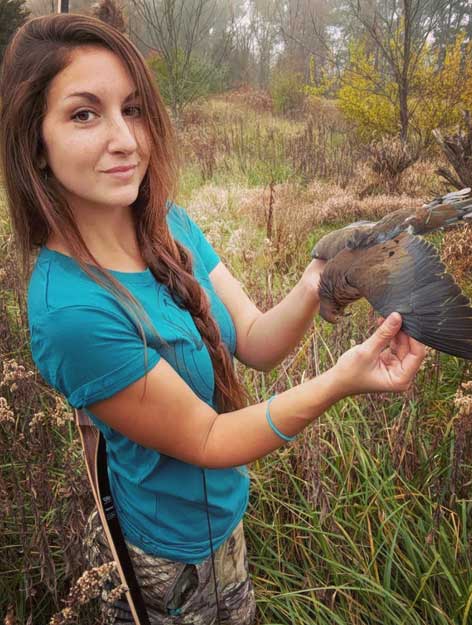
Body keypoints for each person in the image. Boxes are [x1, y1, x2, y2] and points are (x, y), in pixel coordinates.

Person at [0, 13, 426, 625]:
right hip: (166, 563)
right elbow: (208, 438)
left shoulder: (168, 222)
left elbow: (253, 340)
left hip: (226, 527)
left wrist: (317, 275)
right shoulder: (71, 312)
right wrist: (340, 380)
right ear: (34, 145)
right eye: (85, 114)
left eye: (134, 108)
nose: (125, 139)